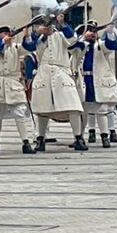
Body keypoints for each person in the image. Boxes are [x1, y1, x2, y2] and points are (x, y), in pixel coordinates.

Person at [27, 18, 88, 151]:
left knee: (73, 107)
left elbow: (72, 39)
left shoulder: (60, 35)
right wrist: (41, 34)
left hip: (62, 73)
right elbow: (30, 46)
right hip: (43, 74)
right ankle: (40, 139)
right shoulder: (36, 38)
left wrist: (63, 23)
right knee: (42, 110)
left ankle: (78, 138)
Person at [0, 26, 35, 155]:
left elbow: (29, 48)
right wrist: (3, 41)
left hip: (13, 84)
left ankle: (26, 142)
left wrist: (26, 36)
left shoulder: (16, 47)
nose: (8, 35)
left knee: (20, 113)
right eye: (5, 33)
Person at [83, 23, 117, 147]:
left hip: (99, 80)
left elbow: (112, 45)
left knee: (104, 108)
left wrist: (110, 33)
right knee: (88, 107)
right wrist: (83, 38)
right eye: (90, 31)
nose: (92, 34)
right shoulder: (81, 45)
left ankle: (107, 134)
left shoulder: (100, 46)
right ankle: (90, 131)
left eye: (94, 31)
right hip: (84, 78)